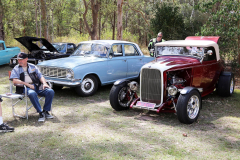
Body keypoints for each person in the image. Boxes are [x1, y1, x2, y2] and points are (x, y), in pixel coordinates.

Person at [10, 52, 54, 122]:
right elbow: (15, 81)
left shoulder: (33, 66)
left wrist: (44, 83)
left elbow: (40, 76)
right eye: (18, 60)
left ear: (26, 59)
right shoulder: (16, 68)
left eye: (21, 59)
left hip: (36, 85)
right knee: (32, 93)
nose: (19, 61)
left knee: (50, 91)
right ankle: (40, 113)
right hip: (24, 87)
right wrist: (28, 85)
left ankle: (46, 111)